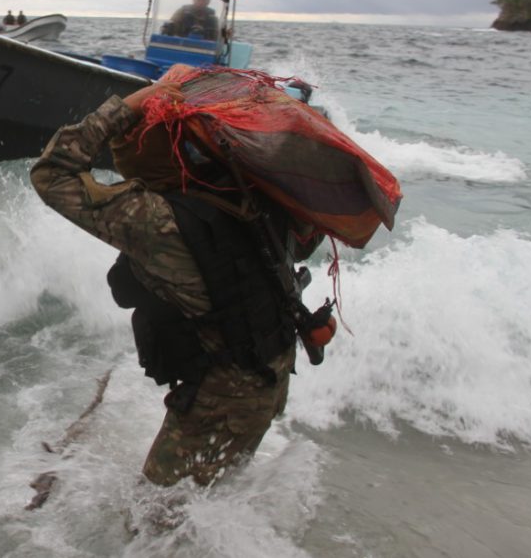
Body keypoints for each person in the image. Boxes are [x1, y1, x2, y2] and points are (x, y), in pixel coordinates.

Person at [30, 83, 323, 488]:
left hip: (228, 397)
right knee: (210, 500)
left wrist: (123, 108)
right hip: (268, 376)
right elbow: (304, 244)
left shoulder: (159, 222)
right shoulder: (249, 194)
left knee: (156, 513)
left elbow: (52, 175)